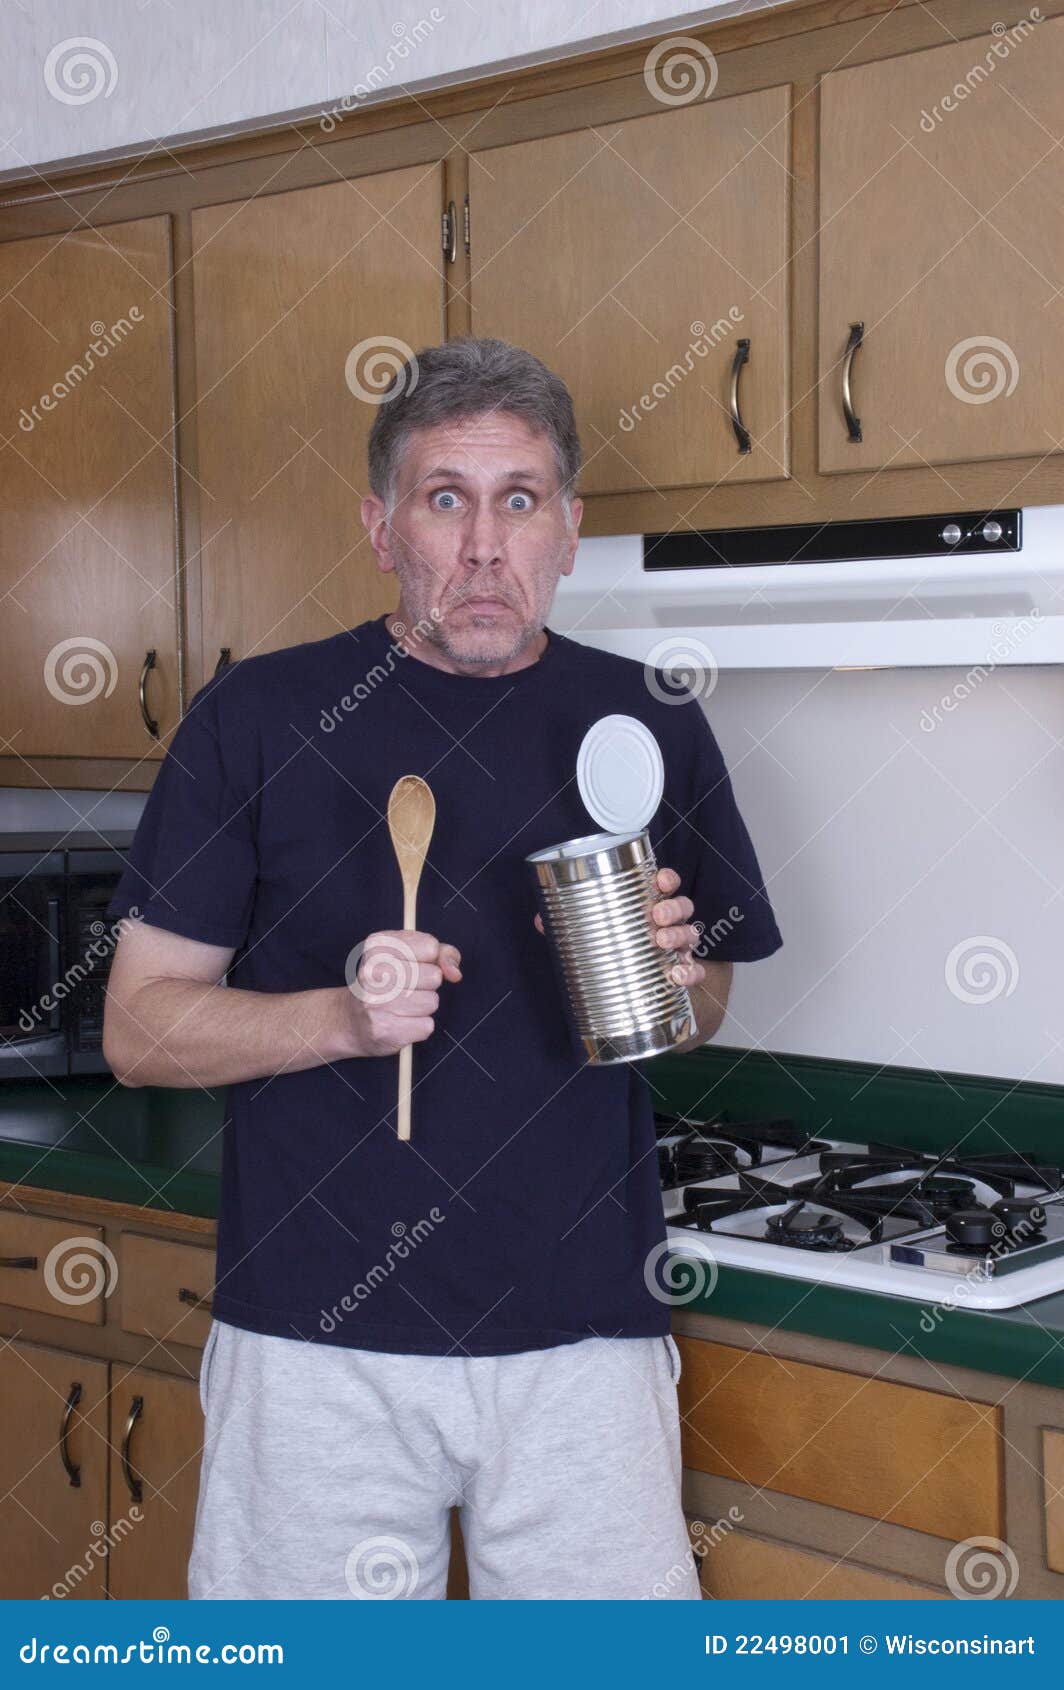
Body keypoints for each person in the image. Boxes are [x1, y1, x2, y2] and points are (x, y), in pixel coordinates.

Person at [103, 336, 782, 1601]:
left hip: (583, 1336)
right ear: (380, 524)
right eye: (444, 498)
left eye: (519, 500)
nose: (483, 546)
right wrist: (340, 1021)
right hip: (315, 1345)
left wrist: (668, 979)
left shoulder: (646, 721)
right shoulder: (254, 719)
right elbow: (140, 1028)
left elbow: (707, 999)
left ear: (568, 528)